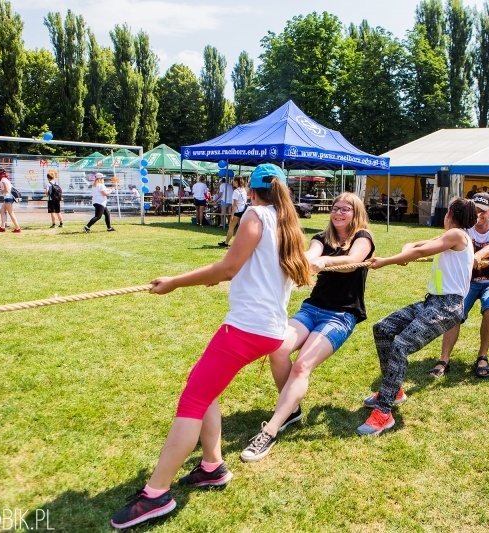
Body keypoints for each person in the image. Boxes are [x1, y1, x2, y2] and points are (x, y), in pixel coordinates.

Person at [108, 163, 311, 530]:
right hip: (268, 330)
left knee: (193, 400)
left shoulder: (255, 214)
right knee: (207, 389)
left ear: (250, 191)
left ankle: (156, 494)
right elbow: (249, 269)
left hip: (246, 330)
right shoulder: (287, 223)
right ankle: (212, 465)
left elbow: (228, 268)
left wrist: (174, 282)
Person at [240, 192, 374, 461]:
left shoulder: (363, 238)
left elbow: (352, 262)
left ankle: (271, 430)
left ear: (356, 212)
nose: (338, 213)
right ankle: (291, 409)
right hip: (312, 309)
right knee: (277, 350)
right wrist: (304, 258)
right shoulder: (322, 239)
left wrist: (325, 261)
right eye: (335, 208)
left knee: (302, 366)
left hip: (342, 314)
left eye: (345, 209)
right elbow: (311, 253)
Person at [357, 197, 477, 436]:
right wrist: (405, 254)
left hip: (447, 307)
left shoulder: (457, 235)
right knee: (382, 328)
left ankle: (384, 412)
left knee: (401, 345)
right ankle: (394, 389)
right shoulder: (450, 237)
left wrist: (388, 262)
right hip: (431, 302)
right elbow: (416, 243)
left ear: (450, 214)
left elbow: (420, 250)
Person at [434, 192, 489, 379]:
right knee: (455, 315)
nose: (478, 215)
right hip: (466, 282)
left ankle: (482, 357)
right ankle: (444, 359)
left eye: (482, 211)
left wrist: (478, 256)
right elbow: (442, 241)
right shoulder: (465, 227)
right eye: (475, 210)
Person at [218, 176, 247, 247]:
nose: (232, 182)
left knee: (231, 228)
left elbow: (235, 204)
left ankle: (226, 242)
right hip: (243, 211)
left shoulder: (236, 191)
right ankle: (240, 243)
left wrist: (232, 214)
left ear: (236, 182)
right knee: (240, 229)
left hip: (237, 211)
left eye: (233, 181)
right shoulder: (244, 190)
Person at [0, 168, 21, 234]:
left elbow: (6, 189)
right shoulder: (4, 179)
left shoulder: (3, 180)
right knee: (2, 211)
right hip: (7, 197)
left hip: (8, 198)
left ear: (0, 172)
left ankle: (17, 228)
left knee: (11, 213)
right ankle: (2, 227)